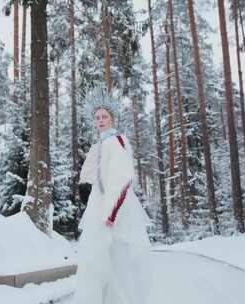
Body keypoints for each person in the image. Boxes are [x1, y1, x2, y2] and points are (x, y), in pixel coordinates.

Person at [72, 91, 152, 304]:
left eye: (104, 117)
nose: (100, 121)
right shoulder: (99, 144)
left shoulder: (117, 141)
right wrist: (86, 187)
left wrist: (111, 213)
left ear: (112, 119)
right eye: (97, 117)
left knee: (117, 259)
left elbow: (122, 178)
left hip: (115, 207)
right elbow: (92, 171)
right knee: (96, 260)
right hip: (99, 203)